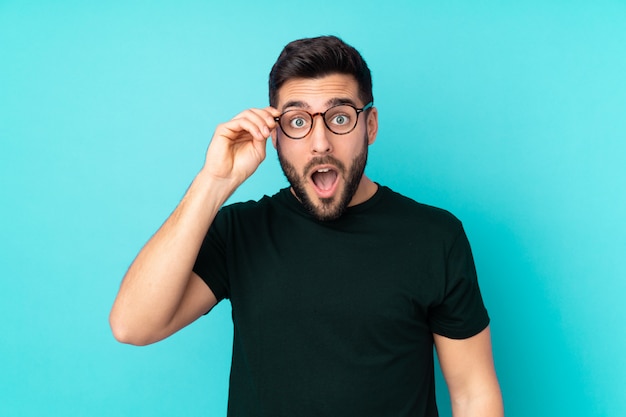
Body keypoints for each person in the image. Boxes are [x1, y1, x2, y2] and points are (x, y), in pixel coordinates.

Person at [110, 35, 503, 417]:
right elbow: (133, 326)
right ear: (275, 135)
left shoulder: (435, 236)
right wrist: (214, 181)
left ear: (370, 125)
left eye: (340, 118)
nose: (320, 143)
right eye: (298, 121)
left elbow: (473, 393)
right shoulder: (239, 232)